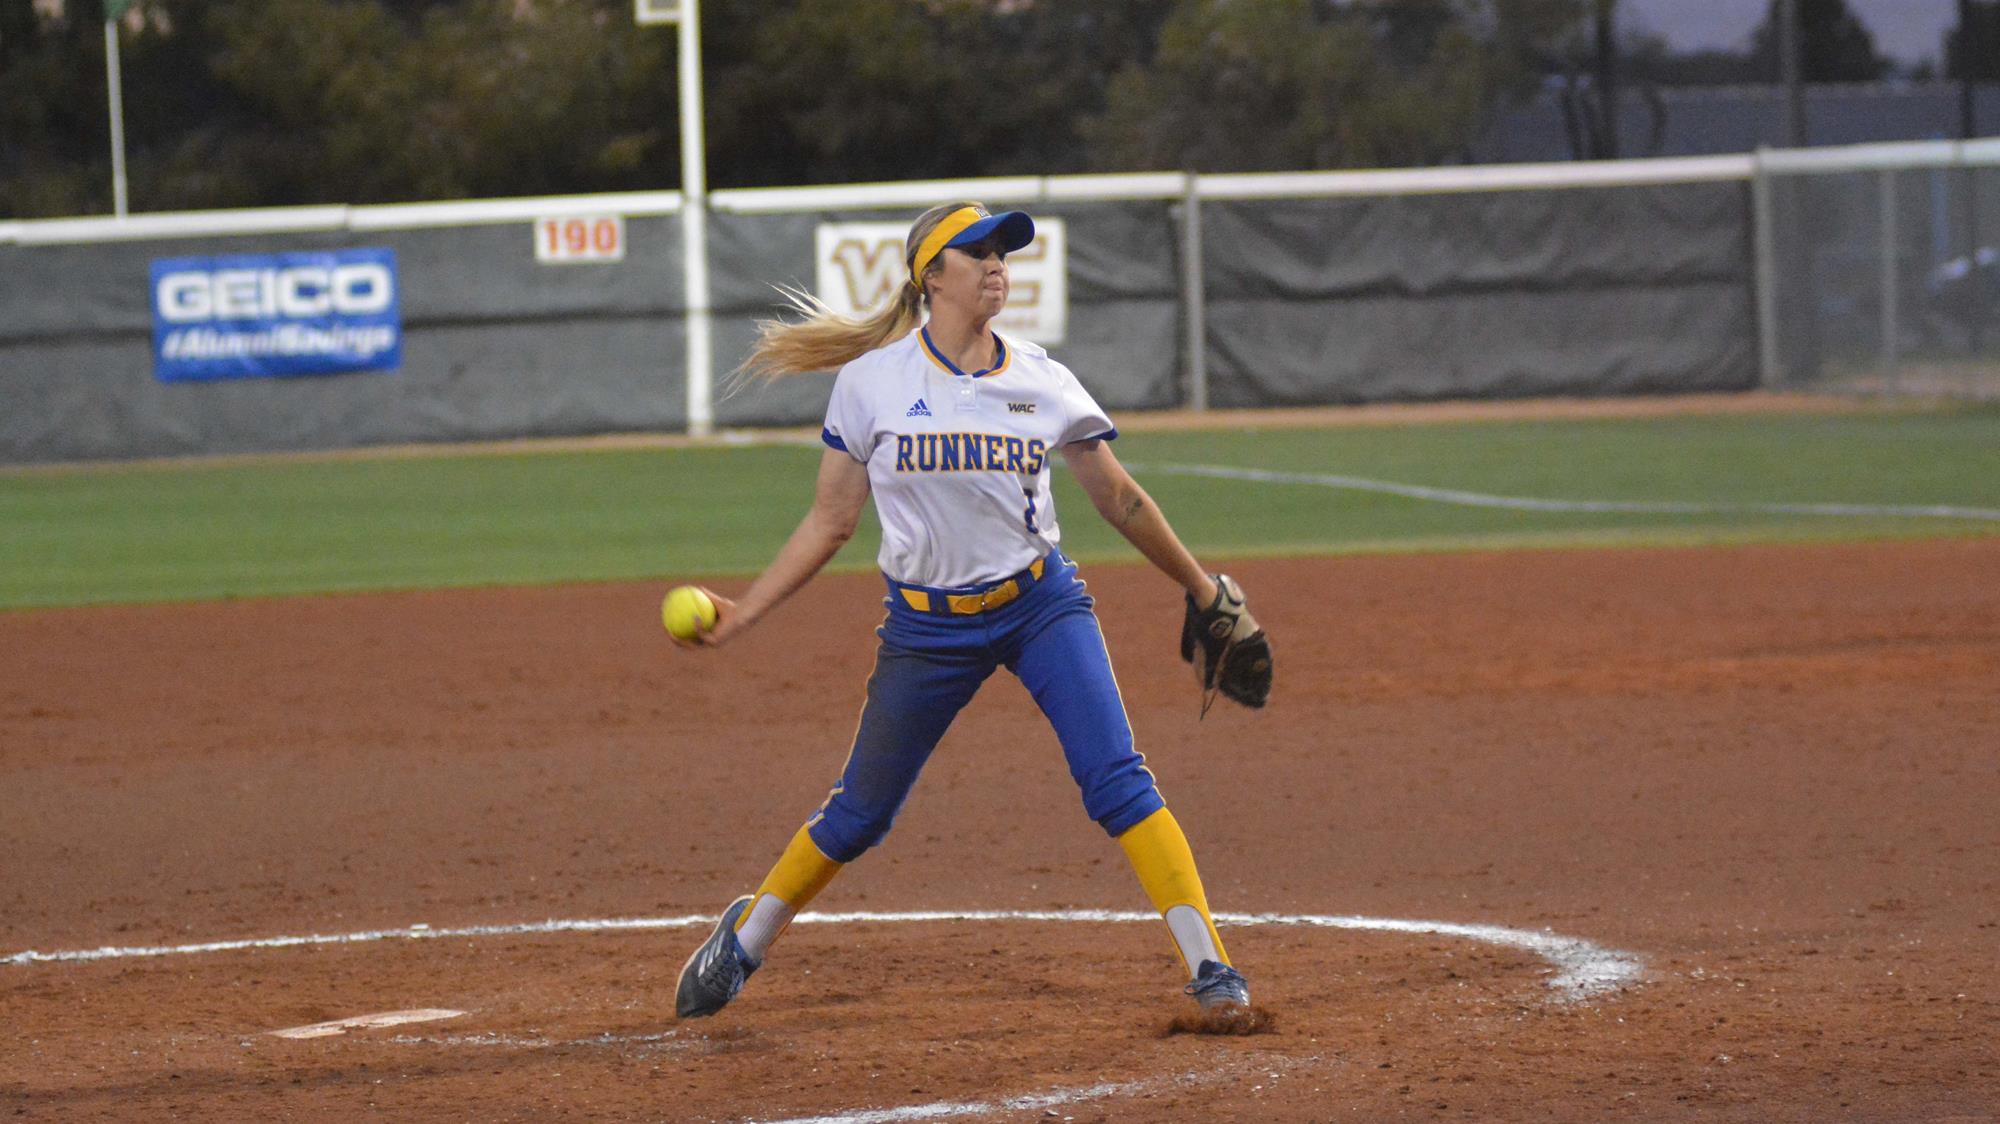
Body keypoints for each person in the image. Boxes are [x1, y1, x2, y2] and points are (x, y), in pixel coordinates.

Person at [670, 201, 1268, 1021]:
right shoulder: (872, 383)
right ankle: (746, 937)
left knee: (1118, 780)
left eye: (1003, 250)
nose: (997, 263)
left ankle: (1213, 968)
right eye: (976, 250)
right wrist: (744, 614)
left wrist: (1202, 589)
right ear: (931, 275)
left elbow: (1119, 499)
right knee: (860, 814)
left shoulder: (1040, 378)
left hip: (1041, 607)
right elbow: (831, 522)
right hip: (925, 629)